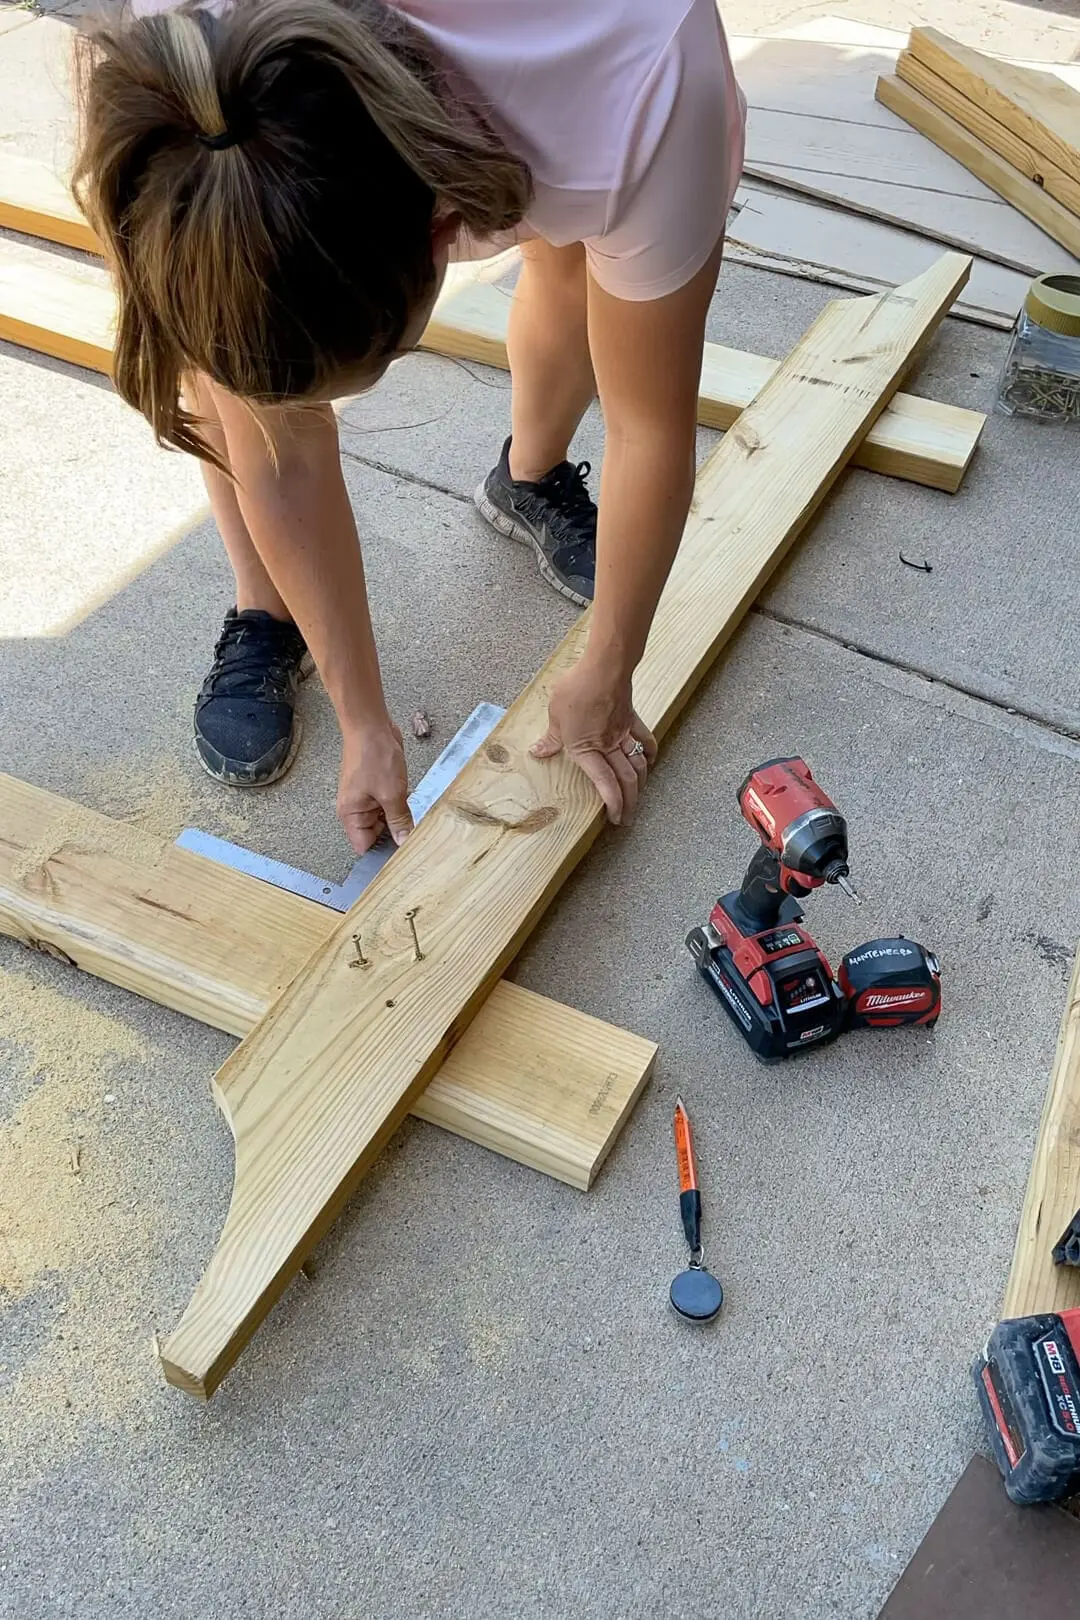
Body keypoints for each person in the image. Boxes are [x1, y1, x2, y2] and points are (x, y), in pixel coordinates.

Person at [74, 0, 745, 854]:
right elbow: (279, 456)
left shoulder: (643, 91)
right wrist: (365, 722)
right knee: (234, 358)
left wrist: (613, 662)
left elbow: (650, 426)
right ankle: (270, 609)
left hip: (581, 82)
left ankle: (529, 477)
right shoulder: (197, 71)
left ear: (444, 236)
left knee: (574, 257)